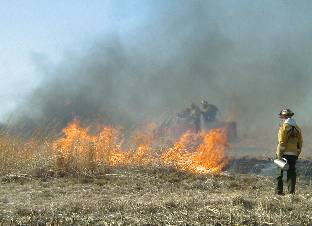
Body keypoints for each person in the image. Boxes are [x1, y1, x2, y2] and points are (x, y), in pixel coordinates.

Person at [276, 108, 303, 195]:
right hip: (293, 154)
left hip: (283, 153)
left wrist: (279, 154)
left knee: (279, 173)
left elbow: (282, 142)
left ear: (284, 117)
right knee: (291, 173)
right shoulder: (297, 128)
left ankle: (279, 192)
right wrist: (297, 153)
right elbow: (300, 143)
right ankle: (291, 193)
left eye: (282, 117)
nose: (282, 119)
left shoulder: (284, 127)